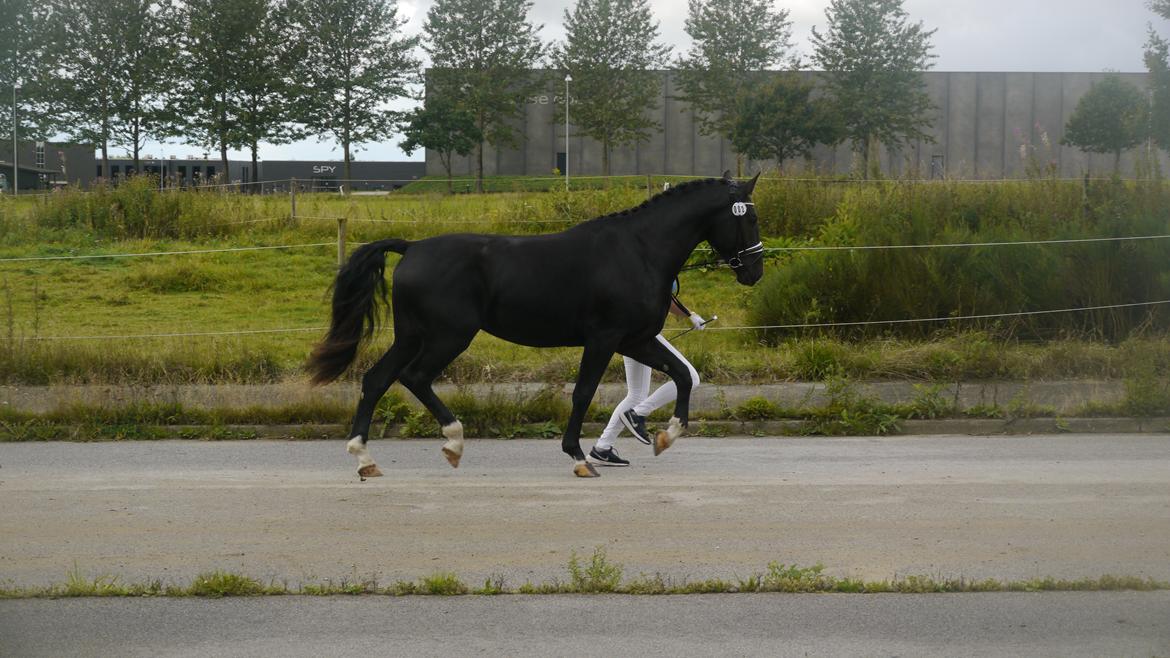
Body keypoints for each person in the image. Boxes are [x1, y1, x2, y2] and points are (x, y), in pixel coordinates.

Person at [587, 279, 706, 467]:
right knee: (691, 378)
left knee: (635, 395)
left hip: (630, 330)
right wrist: (689, 314)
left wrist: (689, 314)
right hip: (642, 332)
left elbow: (661, 295)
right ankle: (638, 414)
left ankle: (602, 449)